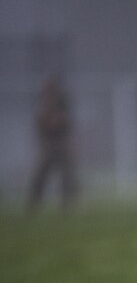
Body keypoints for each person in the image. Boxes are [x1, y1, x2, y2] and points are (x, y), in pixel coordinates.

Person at [28, 77, 77, 210]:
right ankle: (34, 201)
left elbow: (67, 122)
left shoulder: (63, 104)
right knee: (41, 173)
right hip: (48, 145)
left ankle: (66, 202)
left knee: (67, 174)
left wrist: (58, 120)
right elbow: (40, 123)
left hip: (61, 144)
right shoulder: (42, 103)